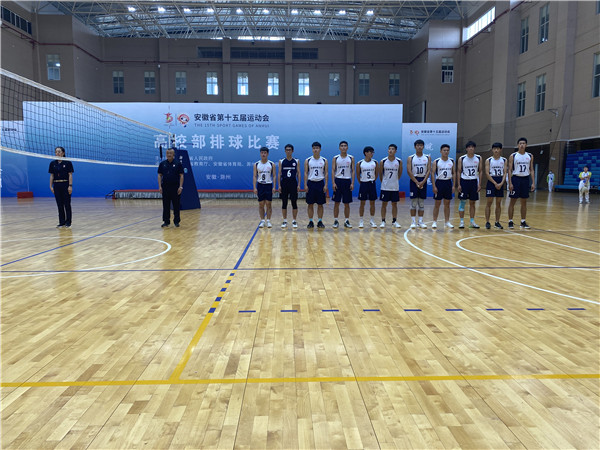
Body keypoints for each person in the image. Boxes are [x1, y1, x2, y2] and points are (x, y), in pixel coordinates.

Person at [507, 137, 535, 229]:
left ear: (526, 145)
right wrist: (510, 183)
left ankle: (523, 221)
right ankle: (510, 221)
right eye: (520, 143)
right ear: (518, 145)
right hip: (516, 179)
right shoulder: (513, 155)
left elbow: (531, 169)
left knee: (524, 202)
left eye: (523, 143)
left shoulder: (530, 156)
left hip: (525, 179)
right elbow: (509, 170)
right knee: (512, 201)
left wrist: (533, 182)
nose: (522, 145)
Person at [457, 140, 482, 229]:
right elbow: (459, 171)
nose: (471, 148)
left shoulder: (478, 158)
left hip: (474, 181)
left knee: (472, 203)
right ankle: (461, 222)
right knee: (462, 202)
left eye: (472, 147)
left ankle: (472, 221)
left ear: (474, 148)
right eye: (469, 147)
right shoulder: (462, 158)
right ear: (466, 149)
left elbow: (480, 171)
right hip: (464, 181)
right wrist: (459, 184)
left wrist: (479, 184)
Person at [407, 139, 431, 229]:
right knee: (413, 202)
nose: (419, 147)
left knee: (421, 202)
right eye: (418, 145)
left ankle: (420, 221)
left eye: (421, 145)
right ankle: (413, 222)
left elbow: (428, 170)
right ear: (415, 147)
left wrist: (423, 182)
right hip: (414, 180)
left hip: (423, 180)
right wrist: (417, 182)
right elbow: (409, 171)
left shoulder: (427, 157)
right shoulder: (411, 158)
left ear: (423, 146)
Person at [158, 147, 184, 227]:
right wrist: (160, 186)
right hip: (165, 187)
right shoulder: (162, 164)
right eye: (167, 153)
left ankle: (176, 221)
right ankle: (166, 221)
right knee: (166, 205)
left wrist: (180, 187)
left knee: (176, 205)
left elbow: (181, 175)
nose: (169, 155)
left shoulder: (178, 164)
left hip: (175, 187)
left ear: (173, 154)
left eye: (170, 153)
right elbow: (159, 175)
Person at [431, 144, 455, 229]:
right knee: (437, 203)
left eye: (447, 150)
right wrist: (434, 186)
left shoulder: (451, 161)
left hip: (448, 183)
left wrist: (453, 186)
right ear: (441, 151)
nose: (446, 152)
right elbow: (432, 174)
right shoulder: (436, 161)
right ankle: (434, 221)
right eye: (444, 150)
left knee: (447, 204)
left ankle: (447, 222)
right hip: (439, 183)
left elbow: (453, 173)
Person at [48, 146, 74, 228]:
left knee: (67, 204)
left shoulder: (68, 162)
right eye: (56, 152)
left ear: (63, 153)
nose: (57, 153)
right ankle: (61, 222)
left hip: (65, 184)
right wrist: (51, 186)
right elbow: (52, 175)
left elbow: (70, 175)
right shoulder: (52, 163)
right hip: (56, 185)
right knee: (59, 204)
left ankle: (68, 222)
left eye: (59, 151)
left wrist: (70, 186)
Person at [484, 142, 508, 229]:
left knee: (498, 203)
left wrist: (501, 183)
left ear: (500, 149)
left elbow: (505, 172)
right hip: (491, 181)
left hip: (500, 180)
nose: (496, 150)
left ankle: (497, 222)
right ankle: (487, 222)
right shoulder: (489, 160)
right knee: (489, 202)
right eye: (494, 149)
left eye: (498, 149)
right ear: (492, 150)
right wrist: (495, 183)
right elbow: (487, 173)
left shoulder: (504, 160)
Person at [331, 140, 355, 228]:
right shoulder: (335, 158)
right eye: (342, 146)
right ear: (339, 148)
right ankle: (336, 221)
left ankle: (346, 221)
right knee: (336, 202)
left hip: (347, 181)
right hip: (338, 181)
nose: (343, 147)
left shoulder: (351, 158)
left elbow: (353, 171)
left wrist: (352, 183)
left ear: (347, 147)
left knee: (347, 203)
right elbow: (333, 170)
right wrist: (333, 182)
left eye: (345, 146)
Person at [305, 141, 328, 229]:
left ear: (320, 149)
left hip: (320, 183)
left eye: (317, 148)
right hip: (311, 183)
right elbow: (306, 173)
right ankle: (310, 221)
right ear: (312, 149)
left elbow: (326, 173)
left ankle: (320, 221)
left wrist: (325, 185)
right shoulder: (308, 160)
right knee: (310, 204)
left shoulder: (324, 160)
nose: (315, 150)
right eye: (314, 148)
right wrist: (306, 185)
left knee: (320, 204)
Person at [379, 144, 403, 228]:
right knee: (384, 204)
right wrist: (384, 182)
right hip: (385, 187)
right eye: (389, 149)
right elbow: (380, 174)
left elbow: (399, 173)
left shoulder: (399, 161)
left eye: (392, 149)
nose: (390, 150)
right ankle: (383, 221)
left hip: (394, 187)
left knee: (394, 204)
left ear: (395, 151)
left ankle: (394, 221)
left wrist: (395, 180)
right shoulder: (383, 161)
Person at [253, 146, 276, 228]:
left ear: (267, 154)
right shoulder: (256, 164)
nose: (263, 154)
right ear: (260, 154)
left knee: (268, 204)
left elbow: (274, 176)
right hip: (260, 185)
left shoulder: (271, 164)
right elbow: (255, 176)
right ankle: (262, 220)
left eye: (265, 153)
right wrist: (254, 187)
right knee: (261, 204)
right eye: (262, 153)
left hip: (268, 185)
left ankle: (268, 221)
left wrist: (274, 187)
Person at [278, 144, 300, 229]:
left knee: (294, 202)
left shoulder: (296, 161)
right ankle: (285, 220)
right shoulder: (281, 161)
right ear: (285, 151)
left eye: (289, 150)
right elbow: (279, 174)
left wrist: (298, 184)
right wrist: (279, 185)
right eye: (287, 150)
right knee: (284, 203)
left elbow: (298, 173)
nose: (288, 151)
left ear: (292, 151)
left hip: (293, 183)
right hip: (284, 183)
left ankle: (294, 221)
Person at [356, 146, 379, 228]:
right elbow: (358, 175)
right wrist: (362, 182)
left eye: (373, 152)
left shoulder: (375, 162)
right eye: (370, 152)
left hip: (371, 184)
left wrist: (372, 180)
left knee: (372, 203)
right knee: (362, 203)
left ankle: (372, 220)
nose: (372, 154)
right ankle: (361, 220)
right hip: (363, 184)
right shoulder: (360, 163)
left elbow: (376, 174)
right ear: (366, 153)